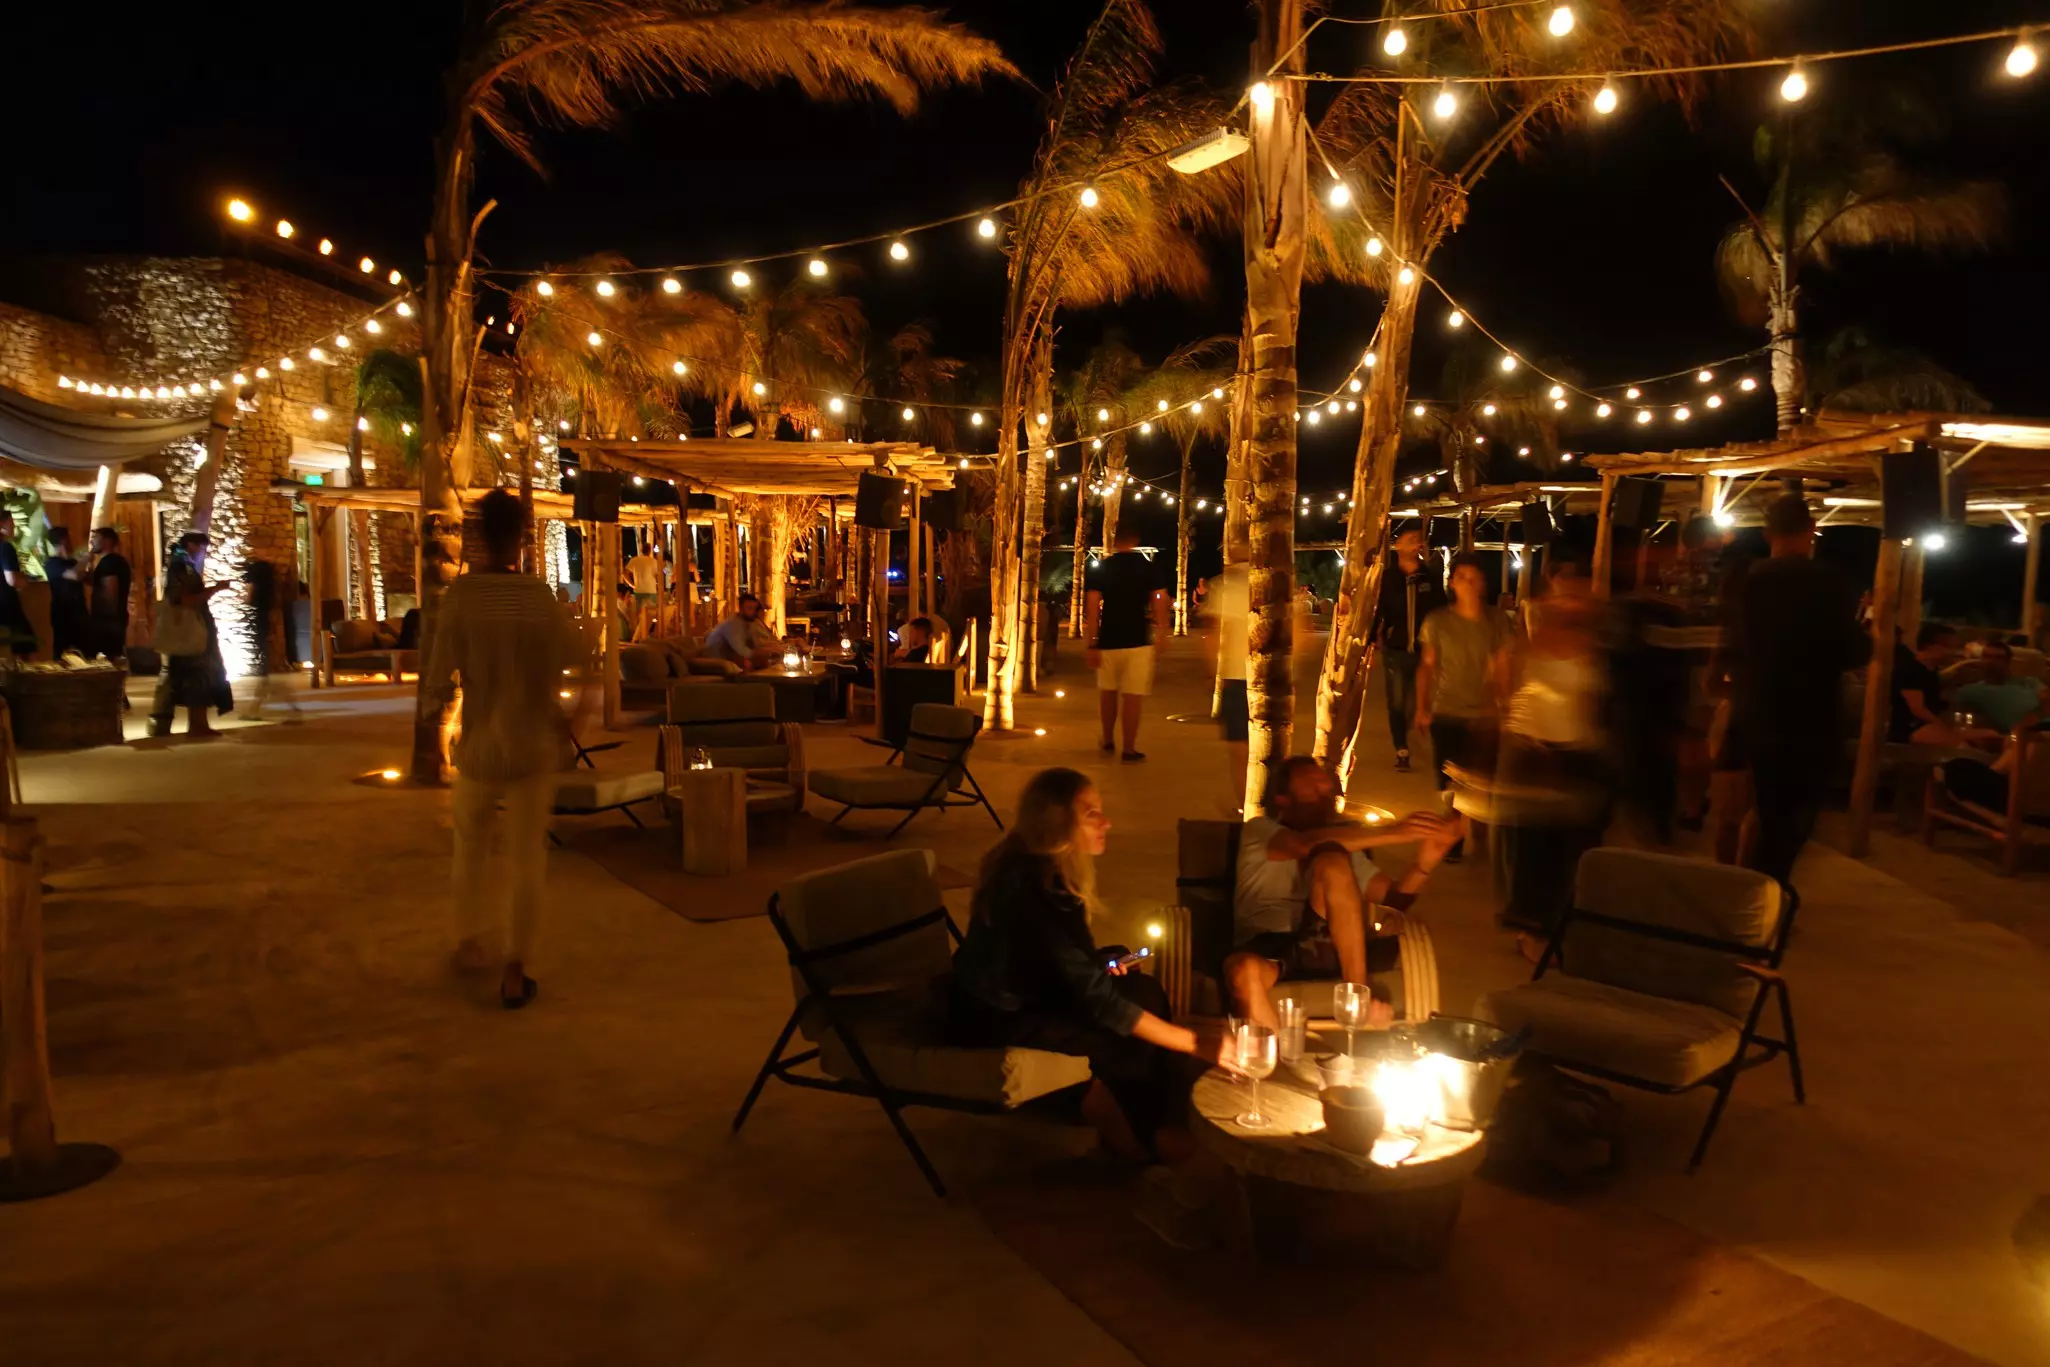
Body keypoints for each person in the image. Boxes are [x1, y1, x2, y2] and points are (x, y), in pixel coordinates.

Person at [949, 768, 1233, 1164]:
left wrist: (1093, 965)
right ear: (1056, 821)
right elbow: (1103, 1006)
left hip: (1002, 995)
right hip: (997, 1015)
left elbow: (1038, 956)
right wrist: (1196, 1043)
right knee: (1133, 1025)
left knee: (1139, 986)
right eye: (1091, 814)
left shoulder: (1023, 862)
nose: (1107, 822)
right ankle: (1139, 1135)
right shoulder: (1045, 889)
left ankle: (1137, 1118)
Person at [420, 489, 578, 1011]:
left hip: (482, 745)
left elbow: (440, 675)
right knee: (526, 856)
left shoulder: (463, 598)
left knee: (470, 846)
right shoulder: (538, 597)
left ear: (479, 535)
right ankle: (515, 967)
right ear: (522, 536)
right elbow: (572, 664)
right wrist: (564, 720)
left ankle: (469, 941)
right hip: (532, 745)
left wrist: (438, 729)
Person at [1222, 756, 1463, 1030]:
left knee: (1333, 862)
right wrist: (1396, 832)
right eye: (1310, 784)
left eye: (1323, 783)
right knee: (1242, 971)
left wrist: (1426, 862)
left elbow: (1395, 898)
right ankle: (1269, 1057)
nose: (1322, 787)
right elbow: (1304, 845)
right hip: (1267, 952)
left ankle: (1357, 997)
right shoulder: (1260, 830)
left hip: (1323, 947)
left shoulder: (1343, 849)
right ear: (1282, 800)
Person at [1724, 494, 1868, 892]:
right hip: (1811, 716)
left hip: (1755, 710)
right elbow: (1854, 651)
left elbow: (1731, 644)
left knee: (1765, 810)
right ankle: (1767, 893)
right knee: (1796, 816)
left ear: (1768, 533)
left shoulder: (1743, 580)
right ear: (1810, 531)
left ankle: (1753, 893)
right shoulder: (1828, 582)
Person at [1494, 550, 1611, 949]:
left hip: (1579, 755)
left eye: (1578, 595)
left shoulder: (1595, 645)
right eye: (1564, 595)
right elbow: (1510, 693)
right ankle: (1532, 929)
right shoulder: (1532, 640)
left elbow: (1595, 702)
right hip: (1533, 751)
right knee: (1534, 848)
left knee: (1574, 848)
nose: (1571, 603)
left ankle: (1563, 922)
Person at [1415, 553, 1511, 861]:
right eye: (1462, 578)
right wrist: (1421, 706)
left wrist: (1504, 706)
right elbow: (1427, 666)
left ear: (1483, 584)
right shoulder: (1438, 621)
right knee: (1450, 783)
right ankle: (1454, 839)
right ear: (1452, 583)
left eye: (1474, 578)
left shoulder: (1497, 621)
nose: (1468, 584)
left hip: (1485, 715)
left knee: (1483, 781)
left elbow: (1503, 666)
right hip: (1448, 711)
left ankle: (1480, 836)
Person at [1085, 525, 1170, 762]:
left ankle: (1108, 738)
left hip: (1108, 639)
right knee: (1133, 697)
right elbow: (1160, 599)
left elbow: (1092, 607)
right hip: (1138, 641)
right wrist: (1162, 631)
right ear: (1136, 539)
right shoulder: (1147, 567)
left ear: (1115, 540)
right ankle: (1129, 748)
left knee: (1108, 692)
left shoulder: (1103, 568)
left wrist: (1092, 642)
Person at [1370, 528, 1447, 773]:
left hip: (1425, 650)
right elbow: (1377, 609)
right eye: (1409, 540)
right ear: (1398, 547)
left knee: (1416, 701)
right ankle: (1401, 747)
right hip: (1396, 647)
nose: (1416, 543)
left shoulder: (1430, 577)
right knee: (1397, 700)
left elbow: (1441, 610)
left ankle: (1413, 738)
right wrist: (1373, 637)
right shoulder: (1389, 577)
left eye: (1418, 539)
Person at [150, 532, 234, 738]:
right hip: (189, 633)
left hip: (191, 632)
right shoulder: (181, 568)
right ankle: (196, 725)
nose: (202, 553)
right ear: (190, 545)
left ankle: (189, 724)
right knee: (196, 677)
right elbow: (184, 599)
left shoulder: (180, 565)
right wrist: (216, 589)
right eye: (201, 548)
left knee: (187, 678)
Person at [1204, 559, 1251, 810]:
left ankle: (1248, 807)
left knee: (1240, 751)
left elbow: (1214, 635)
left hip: (1237, 675)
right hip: (1273, 679)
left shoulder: (1227, 585)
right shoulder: (1281, 578)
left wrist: (1213, 674)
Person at [1890, 623, 1972, 746]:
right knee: (1961, 745)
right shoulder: (1910, 670)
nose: (1952, 651)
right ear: (1929, 646)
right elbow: (1918, 709)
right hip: (1910, 729)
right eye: (1947, 646)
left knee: (1989, 736)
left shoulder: (1931, 672)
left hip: (1927, 726)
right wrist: (1943, 727)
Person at [1953, 640, 2048, 734]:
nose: (1992, 661)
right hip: (2025, 736)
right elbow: (1963, 722)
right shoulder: (1970, 691)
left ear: (2008, 662)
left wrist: (2028, 721)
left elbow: (2047, 700)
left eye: (1998, 658)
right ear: (1981, 660)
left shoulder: (2029, 681)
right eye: (1987, 656)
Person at [41, 526, 88, 659]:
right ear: (63, 541)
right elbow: (75, 575)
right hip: (63, 614)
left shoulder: (73, 562)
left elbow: (89, 579)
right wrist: (84, 560)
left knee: (85, 652)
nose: (72, 541)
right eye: (70, 538)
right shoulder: (52, 564)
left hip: (80, 612)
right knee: (62, 653)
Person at [87, 527, 133, 663]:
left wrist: (104, 621)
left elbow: (110, 591)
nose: (91, 542)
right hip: (113, 619)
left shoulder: (110, 562)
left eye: (95, 538)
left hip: (108, 620)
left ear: (107, 541)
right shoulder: (112, 562)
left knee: (110, 659)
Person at [703, 592, 781, 668]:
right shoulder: (732, 625)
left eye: (755, 608)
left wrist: (776, 647)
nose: (753, 612)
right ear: (741, 609)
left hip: (732, 658)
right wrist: (766, 652)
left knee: (769, 659)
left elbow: (765, 638)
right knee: (755, 661)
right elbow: (742, 651)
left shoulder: (749, 622)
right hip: (717, 661)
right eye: (749, 608)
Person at [0, 512, 37, 657]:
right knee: (25, 645)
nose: (14, 526)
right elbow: (12, 580)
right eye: (11, 522)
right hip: (7, 604)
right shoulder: (5, 547)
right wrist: (25, 581)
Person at [625, 538, 661, 638]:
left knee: (639, 615)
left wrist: (631, 584)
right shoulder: (654, 562)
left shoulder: (635, 560)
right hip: (651, 590)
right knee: (652, 614)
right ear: (650, 550)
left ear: (641, 550)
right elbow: (659, 576)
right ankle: (646, 635)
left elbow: (624, 572)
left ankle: (639, 636)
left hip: (639, 590)